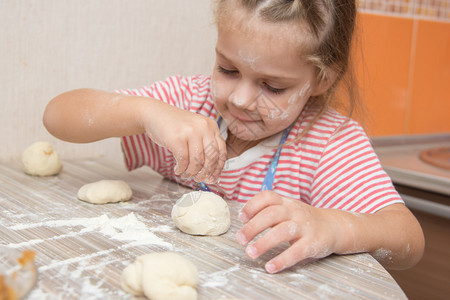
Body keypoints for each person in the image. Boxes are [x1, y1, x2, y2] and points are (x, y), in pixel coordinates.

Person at [43, 0, 424, 274]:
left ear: (321, 79)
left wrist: (335, 227)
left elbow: (408, 239)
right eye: (227, 69)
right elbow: (58, 115)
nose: (240, 98)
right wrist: (147, 113)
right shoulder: (189, 105)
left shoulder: (326, 143)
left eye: (272, 86)